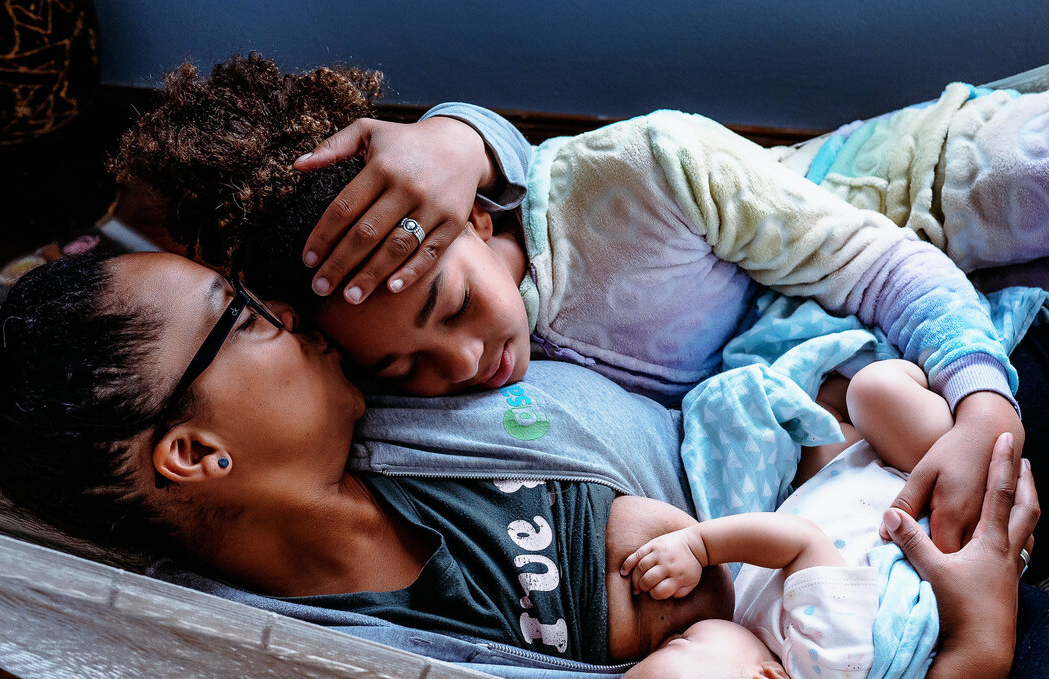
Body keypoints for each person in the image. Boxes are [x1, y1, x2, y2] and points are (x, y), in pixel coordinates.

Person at [0, 249, 1042, 679]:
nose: (284, 305)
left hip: (849, 482)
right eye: (242, 315)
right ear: (197, 453)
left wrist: (464, 129)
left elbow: (531, 198)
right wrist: (972, 658)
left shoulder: (410, 387)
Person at [109, 54, 1039, 557]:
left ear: (470, 210)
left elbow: (880, 268)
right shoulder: (390, 371)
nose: (465, 364)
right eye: (403, 369)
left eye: (452, 304)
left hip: (903, 181)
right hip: (819, 351)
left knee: (1012, 178)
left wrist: (981, 397)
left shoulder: (645, 175)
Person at [610, 359, 958, 679]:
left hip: (845, 478)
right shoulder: (826, 670)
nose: (674, 633)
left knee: (821, 431)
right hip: (920, 481)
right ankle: (949, 403)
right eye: (677, 644)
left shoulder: (767, 648)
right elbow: (801, 542)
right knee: (872, 389)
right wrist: (699, 546)